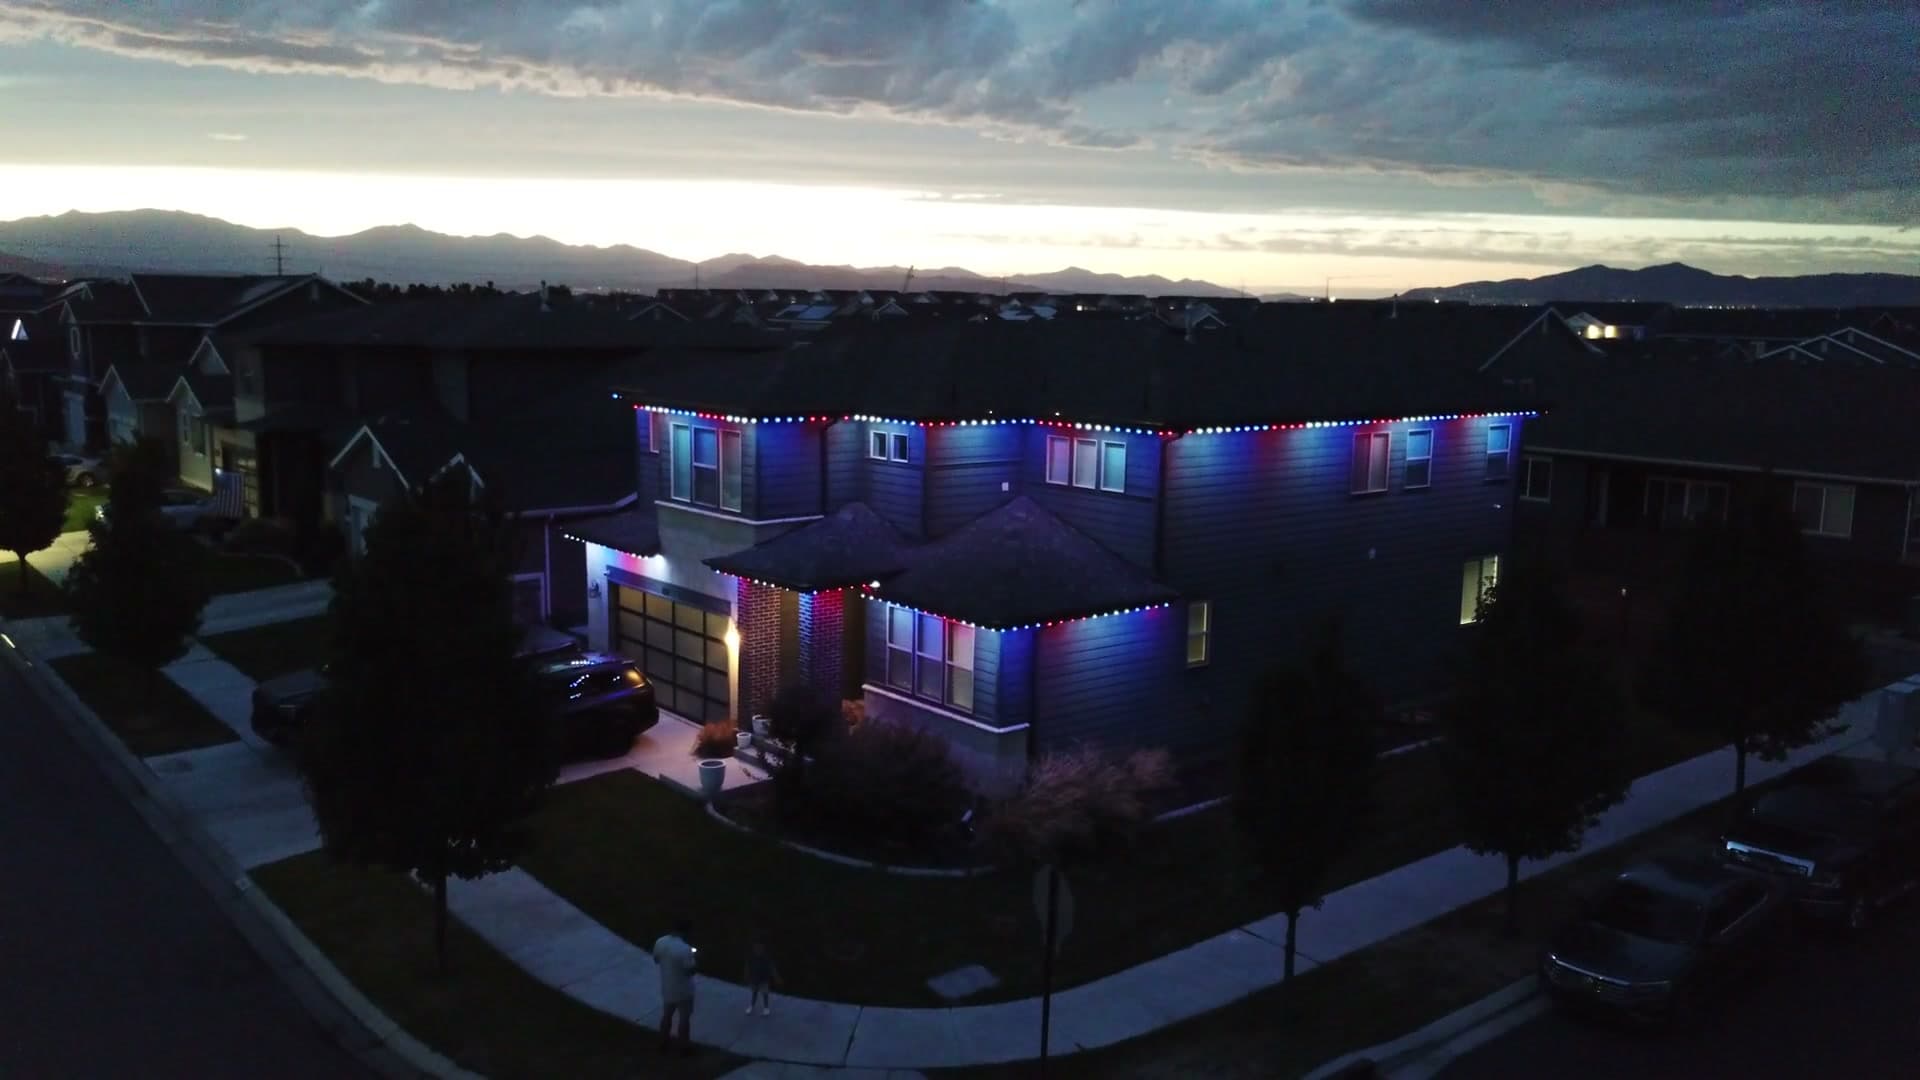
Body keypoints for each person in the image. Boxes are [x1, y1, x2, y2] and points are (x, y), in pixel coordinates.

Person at [651, 918, 697, 1054]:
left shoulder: (660, 942)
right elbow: (690, 971)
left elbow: (656, 960)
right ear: (686, 931)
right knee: (684, 1019)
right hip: (684, 990)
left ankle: (662, 1043)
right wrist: (697, 959)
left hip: (667, 987)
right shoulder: (685, 949)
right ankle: (683, 1047)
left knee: (666, 1016)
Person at [743, 935, 782, 1016]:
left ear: (762, 948)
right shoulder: (751, 957)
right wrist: (746, 976)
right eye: (756, 948)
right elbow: (747, 966)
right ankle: (751, 1007)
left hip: (764, 979)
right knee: (754, 993)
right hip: (754, 978)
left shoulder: (766, 957)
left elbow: (772, 967)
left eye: (759, 948)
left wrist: (776, 977)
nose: (758, 949)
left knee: (765, 994)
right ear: (754, 948)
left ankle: (766, 1008)